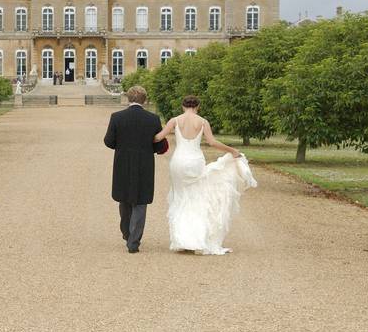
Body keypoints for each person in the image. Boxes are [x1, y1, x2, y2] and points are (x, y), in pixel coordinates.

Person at [153, 95, 257, 254]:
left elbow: (158, 137)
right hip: (195, 161)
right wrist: (232, 151)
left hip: (178, 162)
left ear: (183, 106)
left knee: (180, 198)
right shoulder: (202, 122)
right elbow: (212, 142)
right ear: (197, 107)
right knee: (196, 198)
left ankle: (182, 239)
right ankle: (195, 238)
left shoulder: (174, 120)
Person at [103, 85, 165, 253]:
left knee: (124, 199)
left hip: (123, 162)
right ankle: (134, 241)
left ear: (128, 98)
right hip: (144, 162)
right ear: (144, 100)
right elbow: (159, 145)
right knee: (140, 202)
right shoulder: (153, 119)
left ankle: (126, 232)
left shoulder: (117, 117)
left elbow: (109, 141)